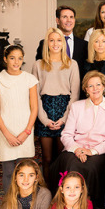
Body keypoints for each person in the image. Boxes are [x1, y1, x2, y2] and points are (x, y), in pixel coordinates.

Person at [53, 71, 105, 200]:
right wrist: (77, 149)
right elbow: (66, 134)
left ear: (104, 86)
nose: (95, 89)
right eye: (90, 86)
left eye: (98, 84)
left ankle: (88, 203)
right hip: (74, 149)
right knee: (73, 165)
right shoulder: (76, 106)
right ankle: (68, 202)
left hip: (98, 151)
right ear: (86, 89)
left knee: (90, 167)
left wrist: (91, 151)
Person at [32, 27, 80, 187]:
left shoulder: (72, 64)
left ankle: (60, 192)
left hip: (64, 110)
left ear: (63, 43)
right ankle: (46, 190)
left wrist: (64, 119)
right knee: (46, 158)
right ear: (47, 43)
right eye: (51, 40)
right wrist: (44, 119)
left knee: (61, 157)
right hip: (44, 110)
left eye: (58, 40)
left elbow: (75, 95)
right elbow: (35, 95)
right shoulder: (38, 65)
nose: (55, 43)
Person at [0, 45, 38, 192]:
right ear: (5, 59)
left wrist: (26, 132)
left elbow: (34, 108)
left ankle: (25, 204)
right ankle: (9, 207)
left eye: (20, 58)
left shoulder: (30, 79)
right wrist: (7, 135)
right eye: (12, 58)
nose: (16, 62)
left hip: (25, 131)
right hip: (6, 133)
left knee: (26, 173)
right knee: (9, 172)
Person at [35, 5, 87, 86]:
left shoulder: (84, 45)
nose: (69, 20)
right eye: (65, 17)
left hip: (78, 93)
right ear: (58, 20)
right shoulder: (45, 44)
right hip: (51, 91)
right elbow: (39, 72)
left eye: (71, 17)